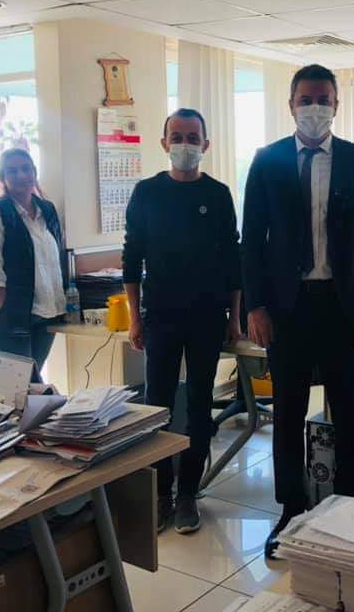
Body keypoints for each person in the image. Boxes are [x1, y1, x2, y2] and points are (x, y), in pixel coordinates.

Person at [241, 64, 354, 558]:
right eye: (306, 99)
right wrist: (256, 306)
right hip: (288, 307)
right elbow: (251, 241)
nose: (314, 108)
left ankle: (350, 509)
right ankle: (291, 509)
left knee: (348, 411)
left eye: (323, 99)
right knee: (288, 412)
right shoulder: (267, 161)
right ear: (291, 105)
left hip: (343, 307)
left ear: (337, 104)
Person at [123, 108, 242, 535]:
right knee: (156, 406)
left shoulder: (219, 194)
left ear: (206, 144)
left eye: (193, 137)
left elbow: (233, 260)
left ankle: (188, 492)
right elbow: (131, 258)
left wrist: (234, 318)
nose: (185, 145)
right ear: (164, 143)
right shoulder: (147, 192)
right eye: (177, 136)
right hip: (160, 316)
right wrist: (135, 319)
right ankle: (160, 494)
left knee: (198, 406)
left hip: (207, 316)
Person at [0, 148, 66, 383]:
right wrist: (14, 314)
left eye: (26, 169)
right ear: (3, 177)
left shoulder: (47, 209)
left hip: (45, 313)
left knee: (29, 387)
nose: (21, 175)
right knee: (16, 387)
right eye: (12, 171)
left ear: (34, 172)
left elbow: (56, 260)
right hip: (10, 319)